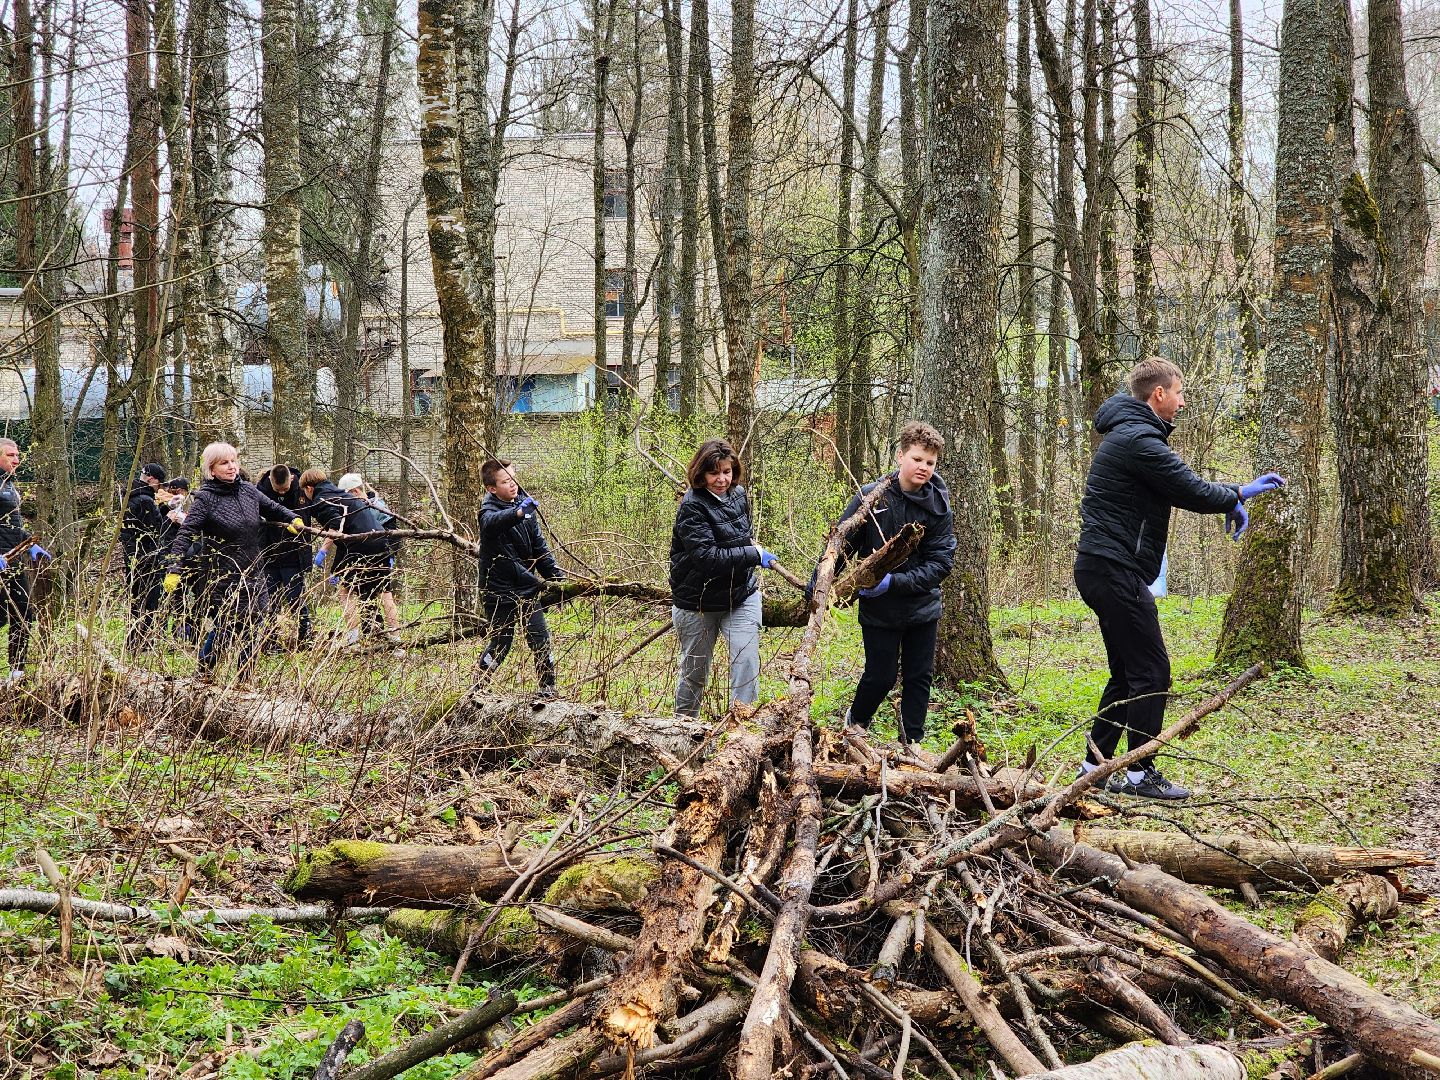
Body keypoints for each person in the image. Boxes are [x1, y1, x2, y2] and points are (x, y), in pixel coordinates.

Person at [1075, 356, 1285, 800]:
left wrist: (1228, 499)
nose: (1183, 402)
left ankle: (1091, 770)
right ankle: (1140, 774)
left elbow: (1177, 486)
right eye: (1180, 392)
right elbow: (1188, 487)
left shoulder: (1130, 433)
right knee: (1152, 670)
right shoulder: (1137, 439)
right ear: (1159, 395)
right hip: (1113, 569)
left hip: (1102, 567)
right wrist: (1240, 492)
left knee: (1128, 672)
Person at [831, 421, 956, 745]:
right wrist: (820, 584)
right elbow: (841, 544)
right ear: (900, 456)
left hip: (921, 606)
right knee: (881, 675)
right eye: (917, 459)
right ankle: (855, 724)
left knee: (919, 677)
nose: (923, 467)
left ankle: (912, 743)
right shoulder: (872, 496)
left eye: (930, 462)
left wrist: (895, 582)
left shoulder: (938, 507)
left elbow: (941, 563)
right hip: (879, 607)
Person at [162, 442, 305, 679]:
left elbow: (273, 509)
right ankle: (203, 676)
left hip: (254, 571)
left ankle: (244, 681)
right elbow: (185, 533)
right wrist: (174, 568)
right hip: (223, 575)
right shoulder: (205, 499)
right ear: (212, 469)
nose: (231, 467)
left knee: (255, 626)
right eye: (224, 463)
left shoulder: (248, 490)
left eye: (233, 461)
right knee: (227, 629)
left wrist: (294, 519)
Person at [669, 439, 777, 718]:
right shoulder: (692, 507)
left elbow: (742, 537)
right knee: (694, 674)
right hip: (698, 603)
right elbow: (707, 559)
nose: (721, 479)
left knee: (746, 666)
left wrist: (751, 552)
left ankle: (742, 734)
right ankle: (682, 730)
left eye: (727, 472)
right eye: (714, 473)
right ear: (701, 473)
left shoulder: (739, 495)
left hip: (740, 596)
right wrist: (754, 554)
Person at [475, 459, 565, 695]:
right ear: (492, 488)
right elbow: (492, 523)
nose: (513, 484)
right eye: (506, 482)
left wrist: (558, 580)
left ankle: (548, 689)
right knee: (501, 644)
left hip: (526, 589)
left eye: (514, 478)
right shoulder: (489, 511)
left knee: (540, 639)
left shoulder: (524, 508)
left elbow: (539, 548)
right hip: (499, 592)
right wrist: (517, 513)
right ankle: (478, 687)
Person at [299, 468, 395, 646]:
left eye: (305, 491)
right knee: (384, 592)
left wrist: (323, 552)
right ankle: (396, 639)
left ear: (309, 488)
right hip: (380, 541)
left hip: (361, 545)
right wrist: (336, 568)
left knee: (346, 591)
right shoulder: (341, 494)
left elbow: (336, 527)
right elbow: (346, 538)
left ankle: (353, 639)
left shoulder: (322, 498)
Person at [0, 438, 50, 682]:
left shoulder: (10, 485)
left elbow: (11, 525)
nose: (17, 460)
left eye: (18, 455)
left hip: (14, 562)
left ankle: (16, 673)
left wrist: (30, 543)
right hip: (0, 561)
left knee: (23, 614)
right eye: (10, 455)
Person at [338, 473, 403, 641]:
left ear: (354, 491)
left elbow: (394, 534)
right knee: (366, 597)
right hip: (359, 560)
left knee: (383, 594)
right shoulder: (358, 506)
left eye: (345, 495)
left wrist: (390, 555)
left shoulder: (377, 508)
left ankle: (394, 639)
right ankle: (374, 634)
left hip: (378, 558)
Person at [258, 464, 314, 646]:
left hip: (294, 554)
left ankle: (305, 636)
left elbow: (306, 517)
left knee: (296, 599)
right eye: (278, 490)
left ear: (291, 479)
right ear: (270, 482)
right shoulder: (261, 490)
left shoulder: (301, 490)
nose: (282, 493)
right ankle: (270, 639)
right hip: (270, 555)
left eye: (285, 489)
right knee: (270, 602)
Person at [119, 462, 170, 652]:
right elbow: (154, 530)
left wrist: (164, 509)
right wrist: (170, 518)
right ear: (151, 479)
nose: (159, 487)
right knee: (149, 600)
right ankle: (144, 643)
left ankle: (135, 641)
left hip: (133, 556)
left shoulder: (130, 496)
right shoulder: (144, 500)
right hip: (147, 557)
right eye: (158, 482)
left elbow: (145, 522)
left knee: (136, 600)